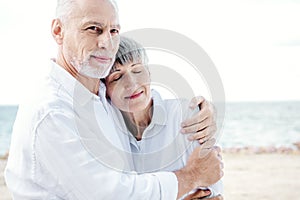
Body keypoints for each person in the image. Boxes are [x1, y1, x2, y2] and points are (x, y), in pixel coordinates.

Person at [4, 0, 223, 199]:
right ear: (58, 30)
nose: (106, 43)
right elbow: (109, 194)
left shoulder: (99, 94)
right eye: (93, 29)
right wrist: (191, 177)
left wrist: (200, 110)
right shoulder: (52, 110)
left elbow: (141, 106)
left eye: (114, 30)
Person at [104, 36, 223, 199]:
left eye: (138, 70)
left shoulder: (186, 115)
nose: (132, 83)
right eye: (117, 77)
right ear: (105, 90)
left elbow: (212, 192)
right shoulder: (106, 130)